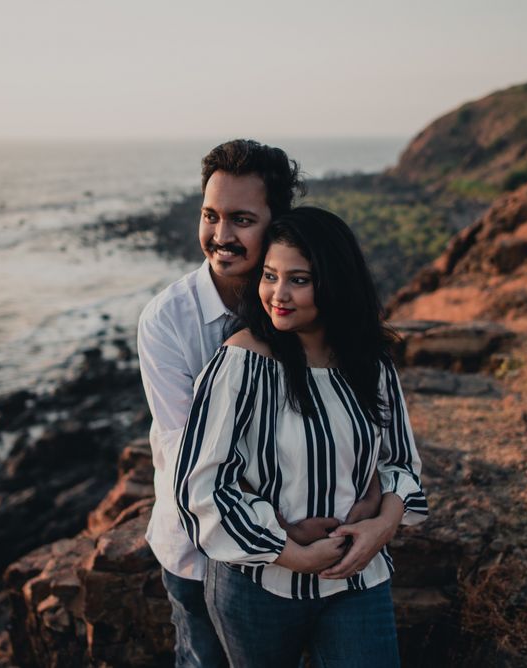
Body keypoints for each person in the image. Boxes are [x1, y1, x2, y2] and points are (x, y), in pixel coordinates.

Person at [137, 141, 382, 667]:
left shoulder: (303, 313)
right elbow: (190, 455)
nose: (221, 236)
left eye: (241, 219)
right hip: (200, 553)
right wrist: (279, 533)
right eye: (210, 215)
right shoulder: (167, 320)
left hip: (320, 548)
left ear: (276, 224)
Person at [174, 207, 428, 667]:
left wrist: (383, 525)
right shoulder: (240, 363)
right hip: (259, 587)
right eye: (270, 275)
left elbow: (402, 463)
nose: (278, 294)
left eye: (300, 280)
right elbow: (202, 487)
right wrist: (291, 553)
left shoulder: (369, 363)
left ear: (332, 282)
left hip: (359, 579)